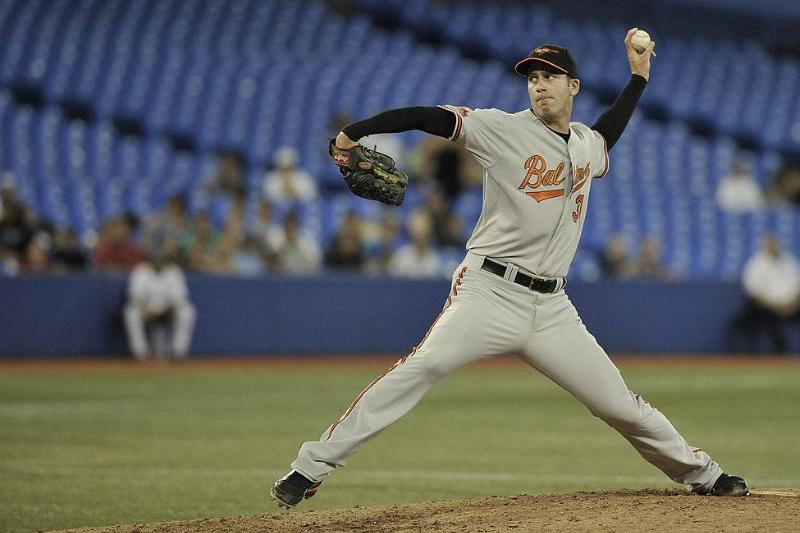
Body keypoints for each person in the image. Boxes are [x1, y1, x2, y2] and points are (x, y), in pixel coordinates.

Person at [271, 30, 748, 508]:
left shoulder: (585, 144)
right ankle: (309, 467)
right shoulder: (502, 128)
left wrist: (638, 78)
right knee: (422, 366)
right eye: (533, 78)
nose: (540, 85)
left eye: (551, 77)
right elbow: (427, 117)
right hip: (488, 291)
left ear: (573, 87)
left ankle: (704, 474)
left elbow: (609, 133)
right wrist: (355, 132)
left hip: (552, 308)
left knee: (618, 404)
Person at [124, 244, 196, 360]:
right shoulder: (141, 271)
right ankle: (140, 352)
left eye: (161, 259)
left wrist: (166, 311)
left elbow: (179, 299)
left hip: (168, 309)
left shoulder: (173, 271)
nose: (158, 262)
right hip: (146, 309)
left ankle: (178, 351)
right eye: (156, 259)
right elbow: (135, 297)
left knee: (187, 311)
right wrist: (146, 309)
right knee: (131, 312)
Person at [734, 235, 800, 353]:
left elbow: (797, 285)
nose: (773, 247)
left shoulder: (788, 261)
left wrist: (792, 304)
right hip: (767, 306)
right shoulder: (756, 264)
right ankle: (780, 352)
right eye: (770, 245)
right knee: (768, 317)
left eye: (775, 244)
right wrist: (775, 307)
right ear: (764, 246)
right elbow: (754, 293)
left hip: (791, 304)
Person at [387, 208, 444, 278]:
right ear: (411, 231)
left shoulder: (437, 260)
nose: (419, 235)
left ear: (429, 230)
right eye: (416, 230)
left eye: (423, 229)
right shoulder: (401, 258)